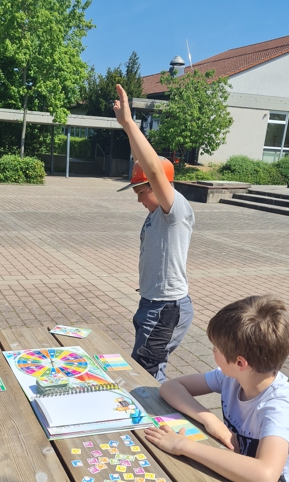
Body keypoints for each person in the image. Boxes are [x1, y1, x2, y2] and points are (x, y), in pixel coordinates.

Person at [144, 295, 289, 482]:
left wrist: (182, 445)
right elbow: (170, 387)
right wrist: (210, 420)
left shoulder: (281, 405)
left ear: (240, 363)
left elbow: (264, 476)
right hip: (240, 480)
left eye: (216, 349)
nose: (212, 352)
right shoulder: (231, 378)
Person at [113, 83, 195, 382]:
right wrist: (126, 129)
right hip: (152, 303)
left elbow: (154, 170)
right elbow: (145, 166)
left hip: (165, 307)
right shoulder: (156, 214)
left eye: (140, 191)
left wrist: (129, 123)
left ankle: (160, 411)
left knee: (146, 374)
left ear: (159, 187)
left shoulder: (175, 211)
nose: (138, 199)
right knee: (146, 370)